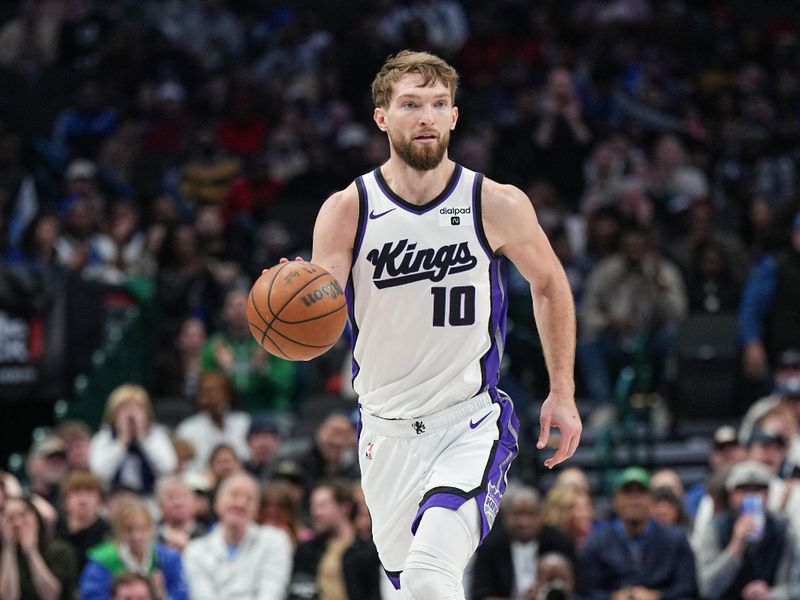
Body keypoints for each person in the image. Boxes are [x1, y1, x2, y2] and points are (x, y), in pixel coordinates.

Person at [281, 50, 581, 598]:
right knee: (407, 585)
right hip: (384, 434)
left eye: (438, 104)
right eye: (410, 104)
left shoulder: (492, 202)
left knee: (429, 575)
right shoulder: (348, 209)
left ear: (454, 116)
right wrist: (294, 296)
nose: (426, 116)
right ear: (381, 116)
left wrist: (562, 388)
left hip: (468, 424)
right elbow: (319, 307)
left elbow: (550, 284)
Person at [578, 467, 698, 599]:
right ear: (615, 500)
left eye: (641, 492)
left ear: (652, 500)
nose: (634, 499)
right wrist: (613, 597)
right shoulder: (597, 543)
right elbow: (585, 593)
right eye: (627, 493)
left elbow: (688, 590)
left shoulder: (675, 540)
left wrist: (657, 596)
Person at [692, 460, 800, 600]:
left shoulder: (783, 529)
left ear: (768, 495)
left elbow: (795, 585)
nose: (751, 496)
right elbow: (707, 588)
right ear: (731, 495)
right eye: (744, 490)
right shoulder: (715, 527)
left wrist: (772, 594)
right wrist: (735, 548)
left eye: (758, 490)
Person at [183, 471, 293, 599]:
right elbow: (202, 596)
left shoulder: (276, 541)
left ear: (256, 510)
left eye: (249, 498)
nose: (240, 503)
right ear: (217, 503)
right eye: (234, 495)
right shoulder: (195, 551)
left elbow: (271, 593)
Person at [471, 486, 576, 600]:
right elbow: (481, 595)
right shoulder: (489, 547)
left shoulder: (561, 542)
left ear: (542, 515)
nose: (524, 522)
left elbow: (577, 590)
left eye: (531, 514)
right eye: (517, 514)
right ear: (505, 516)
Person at [80, 500, 187, 600]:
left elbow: (181, 595)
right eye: (129, 530)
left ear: (151, 530)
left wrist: (161, 595)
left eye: (142, 529)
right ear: (118, 532)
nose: (136, 536)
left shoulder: (168, 560)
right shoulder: (102, 561)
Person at [88, 384, 177, 497]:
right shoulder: (103, 438)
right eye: (124, 409)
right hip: (113, 499)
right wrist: (122, 442)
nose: (131, 416)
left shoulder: (156, 436)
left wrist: (143, 438)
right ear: (113, 413)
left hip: (150, 498)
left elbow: (167, 468)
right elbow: (100, 474)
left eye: (137, 409)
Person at [0, 496, 77, 600]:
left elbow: (51, 596)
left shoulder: (61, 550)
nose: (18, 523)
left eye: (23, 515)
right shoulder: (4, 556)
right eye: (10, 518)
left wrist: (31, 552)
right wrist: (9, 548)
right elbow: (8, 597)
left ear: (36, 517)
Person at [56, 470, 111, 573]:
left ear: (100, 500)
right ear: (64, 501)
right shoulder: (56, 531)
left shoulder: (108, 534)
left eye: (90, 493)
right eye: (76, 493)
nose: (83, 500)